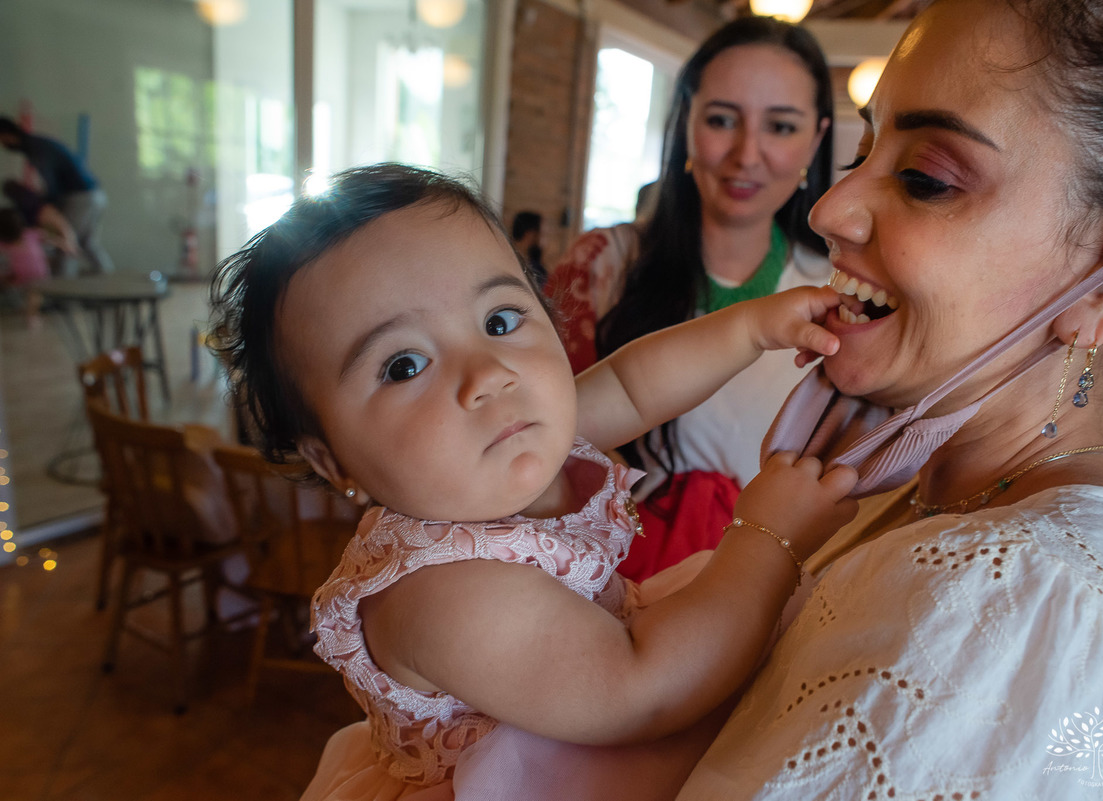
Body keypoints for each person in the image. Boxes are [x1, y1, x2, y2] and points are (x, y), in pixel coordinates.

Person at [678, 0, 1103, 798]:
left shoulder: (1022, 601)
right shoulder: (918, 487)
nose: (829, 209)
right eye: (863, 148)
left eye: (926, 179)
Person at [208, 163, 859, 800]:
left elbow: (634, 385)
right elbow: (639, 687)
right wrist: (768, 536)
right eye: (405, 365)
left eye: (499, 321)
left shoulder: (509, 446)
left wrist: (750, 327)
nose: (487, 373)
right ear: (333, 461)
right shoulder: (442, 593)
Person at [545, 16, 834, 581]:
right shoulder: (602, 264)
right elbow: (548, 432)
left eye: (780, 126)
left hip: (763, 577)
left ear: (816, 139)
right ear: (686, 124)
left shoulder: (834, 291)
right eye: (723, 120)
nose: (747, 154)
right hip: (600, 566)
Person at [0, 116, 113, 276]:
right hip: (94, 194)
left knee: (66, 245)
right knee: (87, 242)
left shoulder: (36, 148)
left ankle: (63, 295)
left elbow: (51, 182)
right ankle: (107, 276)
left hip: (80, 197)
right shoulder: (38, 144)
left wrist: (48, 204)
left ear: (7, 135)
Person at [0, 206, 48, 326]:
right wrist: (65, 245)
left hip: (18, 275)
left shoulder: (4, 243)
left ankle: (21, 307)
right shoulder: (31, 234)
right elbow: (46, 236)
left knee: (6, 280)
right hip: (40, 273)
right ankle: (32, 316)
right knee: (35, 294)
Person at [510, 209, 547, 289]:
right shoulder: (536, 270)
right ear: (530, 234)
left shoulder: (503, 256)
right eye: (543, 233)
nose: (545, 240)